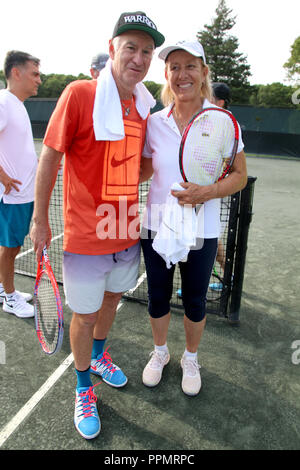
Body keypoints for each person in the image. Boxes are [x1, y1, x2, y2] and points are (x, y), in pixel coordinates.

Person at [30, 11, 164, 440]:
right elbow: (51, 153)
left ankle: (101, 358)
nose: (139, 58)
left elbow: (143, 167)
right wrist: (39, 218)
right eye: (131, 47)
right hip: (87, 236)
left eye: (147, 51)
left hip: (125, 231)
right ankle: (83, 387)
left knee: (111, 302)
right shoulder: (80, 93)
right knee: (84, 318)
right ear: (112, 50)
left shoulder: (145, 107)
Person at [139, 41, 247, 397]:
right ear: (167, 76)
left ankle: (190, 357)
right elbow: (140, 170)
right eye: (174, 67)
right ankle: (159, 353)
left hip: (202, 229)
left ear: (203, 72)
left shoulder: (222, 123)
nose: (181, 74)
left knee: (196, 301)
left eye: (189, 66)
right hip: (157, 225)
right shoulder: (153, 123)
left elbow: (239, 176)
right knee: (157, 296)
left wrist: (205, 193)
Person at [0, 50, 41, 318]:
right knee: (10, 246)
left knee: (12, 245)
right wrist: (3, 176)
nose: (39, 79)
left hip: (23, 193)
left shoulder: (16, 103)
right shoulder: (4, 101)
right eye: (34, 74)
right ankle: (10, 297)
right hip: (12, 194)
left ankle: (4, 289)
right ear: (17, 73)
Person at [209, 82, 232, 290]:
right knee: (212, 243)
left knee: (211, 243)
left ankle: (229, 279)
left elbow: (230, 166)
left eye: (210, 97)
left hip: (220, 198)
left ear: (220, 102)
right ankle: (229, 278)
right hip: (210, 197)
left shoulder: (226, 125)